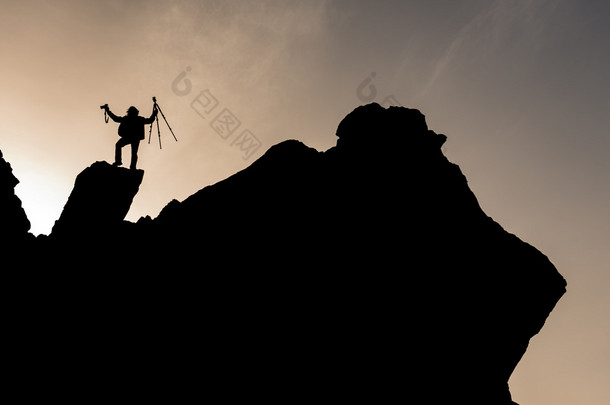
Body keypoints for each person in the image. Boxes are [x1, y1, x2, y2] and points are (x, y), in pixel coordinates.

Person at [103, 104, 158, 169]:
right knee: (133, 152)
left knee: (119, 145)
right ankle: (132, 167)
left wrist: (108, 111)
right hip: (136, 137)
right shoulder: (139, 119)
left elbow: (115, 118)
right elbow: (149, 120)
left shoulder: (126, 119)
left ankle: (118, 162)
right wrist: (154, 114)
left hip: (128, 136)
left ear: (129, 112)